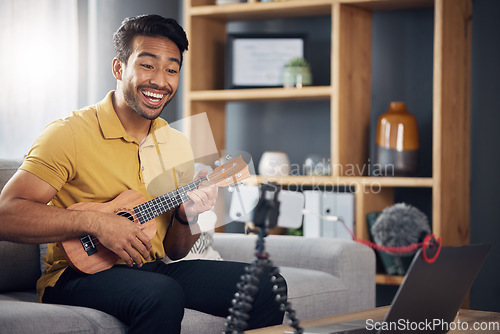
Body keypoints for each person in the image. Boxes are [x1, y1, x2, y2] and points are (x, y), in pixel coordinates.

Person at [0, 14, 285, 333]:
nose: (161, 81)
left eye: (172, 69)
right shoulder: (69, 134)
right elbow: (6, 215)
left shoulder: (178, 144)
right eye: (148, 65)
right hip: (74, 277)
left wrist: (187, 214)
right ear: (119, 68)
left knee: (266, 282)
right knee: (161, 294)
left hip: (151, 269)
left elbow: (177, 251)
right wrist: (96, 223)